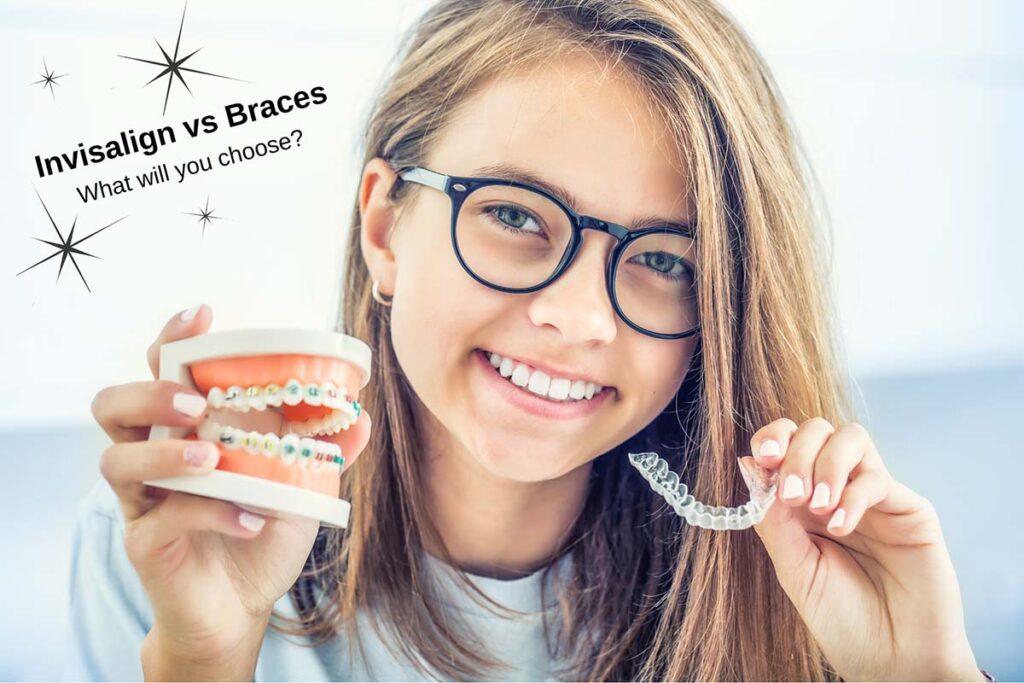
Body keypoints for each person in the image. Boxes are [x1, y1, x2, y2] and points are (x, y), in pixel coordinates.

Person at [65, 0, 991, 680]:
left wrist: (922, 675)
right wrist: (207, 655)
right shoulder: (163, 549)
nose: (580, 316)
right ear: (386, 229)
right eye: (514, 213)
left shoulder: (790, 590)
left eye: (665, 261)